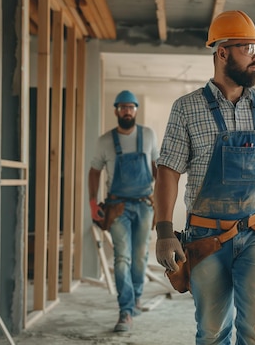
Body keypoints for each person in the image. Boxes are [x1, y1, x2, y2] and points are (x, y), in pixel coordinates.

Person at [153, 10, 255, 345]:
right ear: (222, 53)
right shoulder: (187, 108)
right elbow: (169, 171)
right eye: (248, 48)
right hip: (207, 239)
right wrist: (164, 231)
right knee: (212, 331)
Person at [88, 90, 159, 332]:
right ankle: (125, 311)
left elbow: (157, 168)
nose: (127, 111)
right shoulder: (104, 141)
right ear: (116, 111)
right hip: (116, 206)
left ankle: (136, 296)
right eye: (122, 107)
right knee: (122, 258)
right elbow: (94, 171)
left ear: (136, 110)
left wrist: (161, 200)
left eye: (131, 107)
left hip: (144, 204)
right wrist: (92, 202)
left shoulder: (148, 135)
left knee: (140, 257)